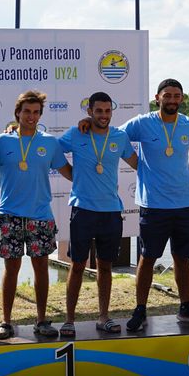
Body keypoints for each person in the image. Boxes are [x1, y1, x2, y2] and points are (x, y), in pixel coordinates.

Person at [113, 78, 189, 331]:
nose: (172, 100)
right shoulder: (143, 123)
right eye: (167, 96)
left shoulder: (188, 124)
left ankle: (185, 306)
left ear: (181, 99)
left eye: (176, 96)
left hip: (184, 204)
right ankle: (140, 309)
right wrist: (136, 164)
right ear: (157, 98)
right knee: (147, 258)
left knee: (182, 258)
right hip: (154, 206)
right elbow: (115, 137)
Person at [0, 91, 73, 339]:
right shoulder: (1, 142)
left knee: (41, 269)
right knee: (11, 269)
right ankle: (5, 322)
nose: (31, 116)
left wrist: (97, 173)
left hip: (40, 215)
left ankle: (42, 320)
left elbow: (68, 172)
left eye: (36, 112)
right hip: (9, 215)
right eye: (27, 111)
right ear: (17, 113)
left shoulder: (49, 143)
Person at [59, 91, 138, 334]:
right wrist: (72, 175)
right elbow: (50, 150)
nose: (103, 115)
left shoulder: (119, 137)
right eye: (99, 111)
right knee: (78, 266)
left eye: (107, 111)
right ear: (89, 111)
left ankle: (104, 317)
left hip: (111, 212)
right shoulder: (76, 133)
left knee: (105, 267)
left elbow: (138, 164)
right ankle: (69, 320)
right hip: (83, 210)